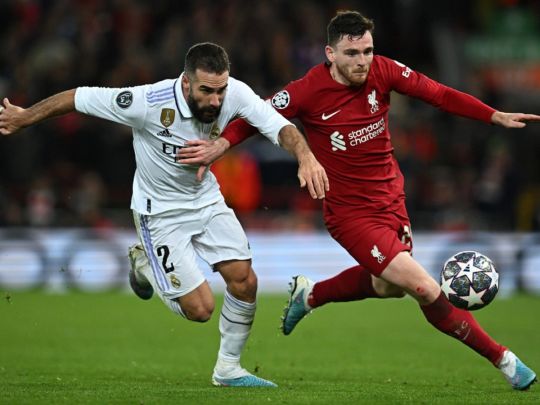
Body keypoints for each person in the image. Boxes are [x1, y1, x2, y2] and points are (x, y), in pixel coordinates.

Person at [176, 12, 539, 391]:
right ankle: (505, 360)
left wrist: (492, 115)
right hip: (350, 215)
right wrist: (220, 145)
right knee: (424, 288)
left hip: (391, 200)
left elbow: (439, 94)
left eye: (367, 51)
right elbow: (255, 118)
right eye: (352, 53)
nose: (362, 61)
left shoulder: (384, 71)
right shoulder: (307, 90)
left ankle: (311, 294)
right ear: (330, 53)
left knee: (388, 286)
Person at [0, 42, 329, 387]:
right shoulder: (147, 102)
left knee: (245, 281)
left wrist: (305, 156)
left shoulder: (236, 93)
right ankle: (144, 264)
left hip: (206, 199)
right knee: (200, 309)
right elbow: (77, 97)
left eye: (220, 91)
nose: (215, 101)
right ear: (186, 83)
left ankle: (228, 368)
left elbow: (282, 128)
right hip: (159, 214)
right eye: (206, 91)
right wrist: (25, 117)